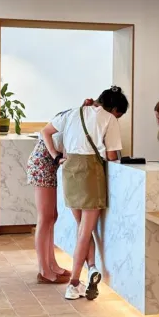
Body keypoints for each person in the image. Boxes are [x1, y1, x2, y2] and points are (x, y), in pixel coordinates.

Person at [41, 86, 129, 301]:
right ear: (114, 109)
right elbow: (111, 156)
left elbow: (45, 131)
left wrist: (55, 156)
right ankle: (73, 283)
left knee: (82, 228)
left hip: (70, 172)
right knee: (84, 231)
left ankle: (92, 268)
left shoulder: (73, 112)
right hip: (91, 175)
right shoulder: (109, 119)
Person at [27, 99, 94, 284]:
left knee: (52, 217)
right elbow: (45, 133)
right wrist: (56, 156)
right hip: (43, 163)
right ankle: (44, 271)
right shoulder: (71, 117)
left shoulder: (74, 118)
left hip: (48, 164)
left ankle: (52, 265)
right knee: (45, 218)